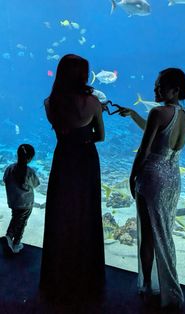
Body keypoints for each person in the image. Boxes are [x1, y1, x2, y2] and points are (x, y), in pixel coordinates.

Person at [119, 68, 185, 313]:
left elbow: (145, 148)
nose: (155, 90)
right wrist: (134, 115)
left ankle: (149, 285)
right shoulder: (184, 114)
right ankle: (169, 286)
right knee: (165, 233)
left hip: (151, 178)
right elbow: (159, 135)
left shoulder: (158, 112)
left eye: (160, 86)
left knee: (148, 236)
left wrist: (132, 175)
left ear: (175, 89)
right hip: (172, 179)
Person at [39, 54, 105, 302]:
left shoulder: (50, 103)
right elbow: (100, 136)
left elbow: (61, 131)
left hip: (64, 158)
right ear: (83, 76)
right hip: (86, 160)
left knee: (61, 213)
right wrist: (85, 136)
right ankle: (86, 274)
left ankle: (58, 273)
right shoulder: (93, 103)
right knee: (85, 213)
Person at [3, 144, 40, 254]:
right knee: (22, 222)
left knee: (15, 219)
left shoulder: (9, 169)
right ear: (30, 158)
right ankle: (15, 243)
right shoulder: (30, 172)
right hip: (26, 203)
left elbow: (5, 180)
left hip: (14, 202)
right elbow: (36, 184)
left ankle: (9, 239)